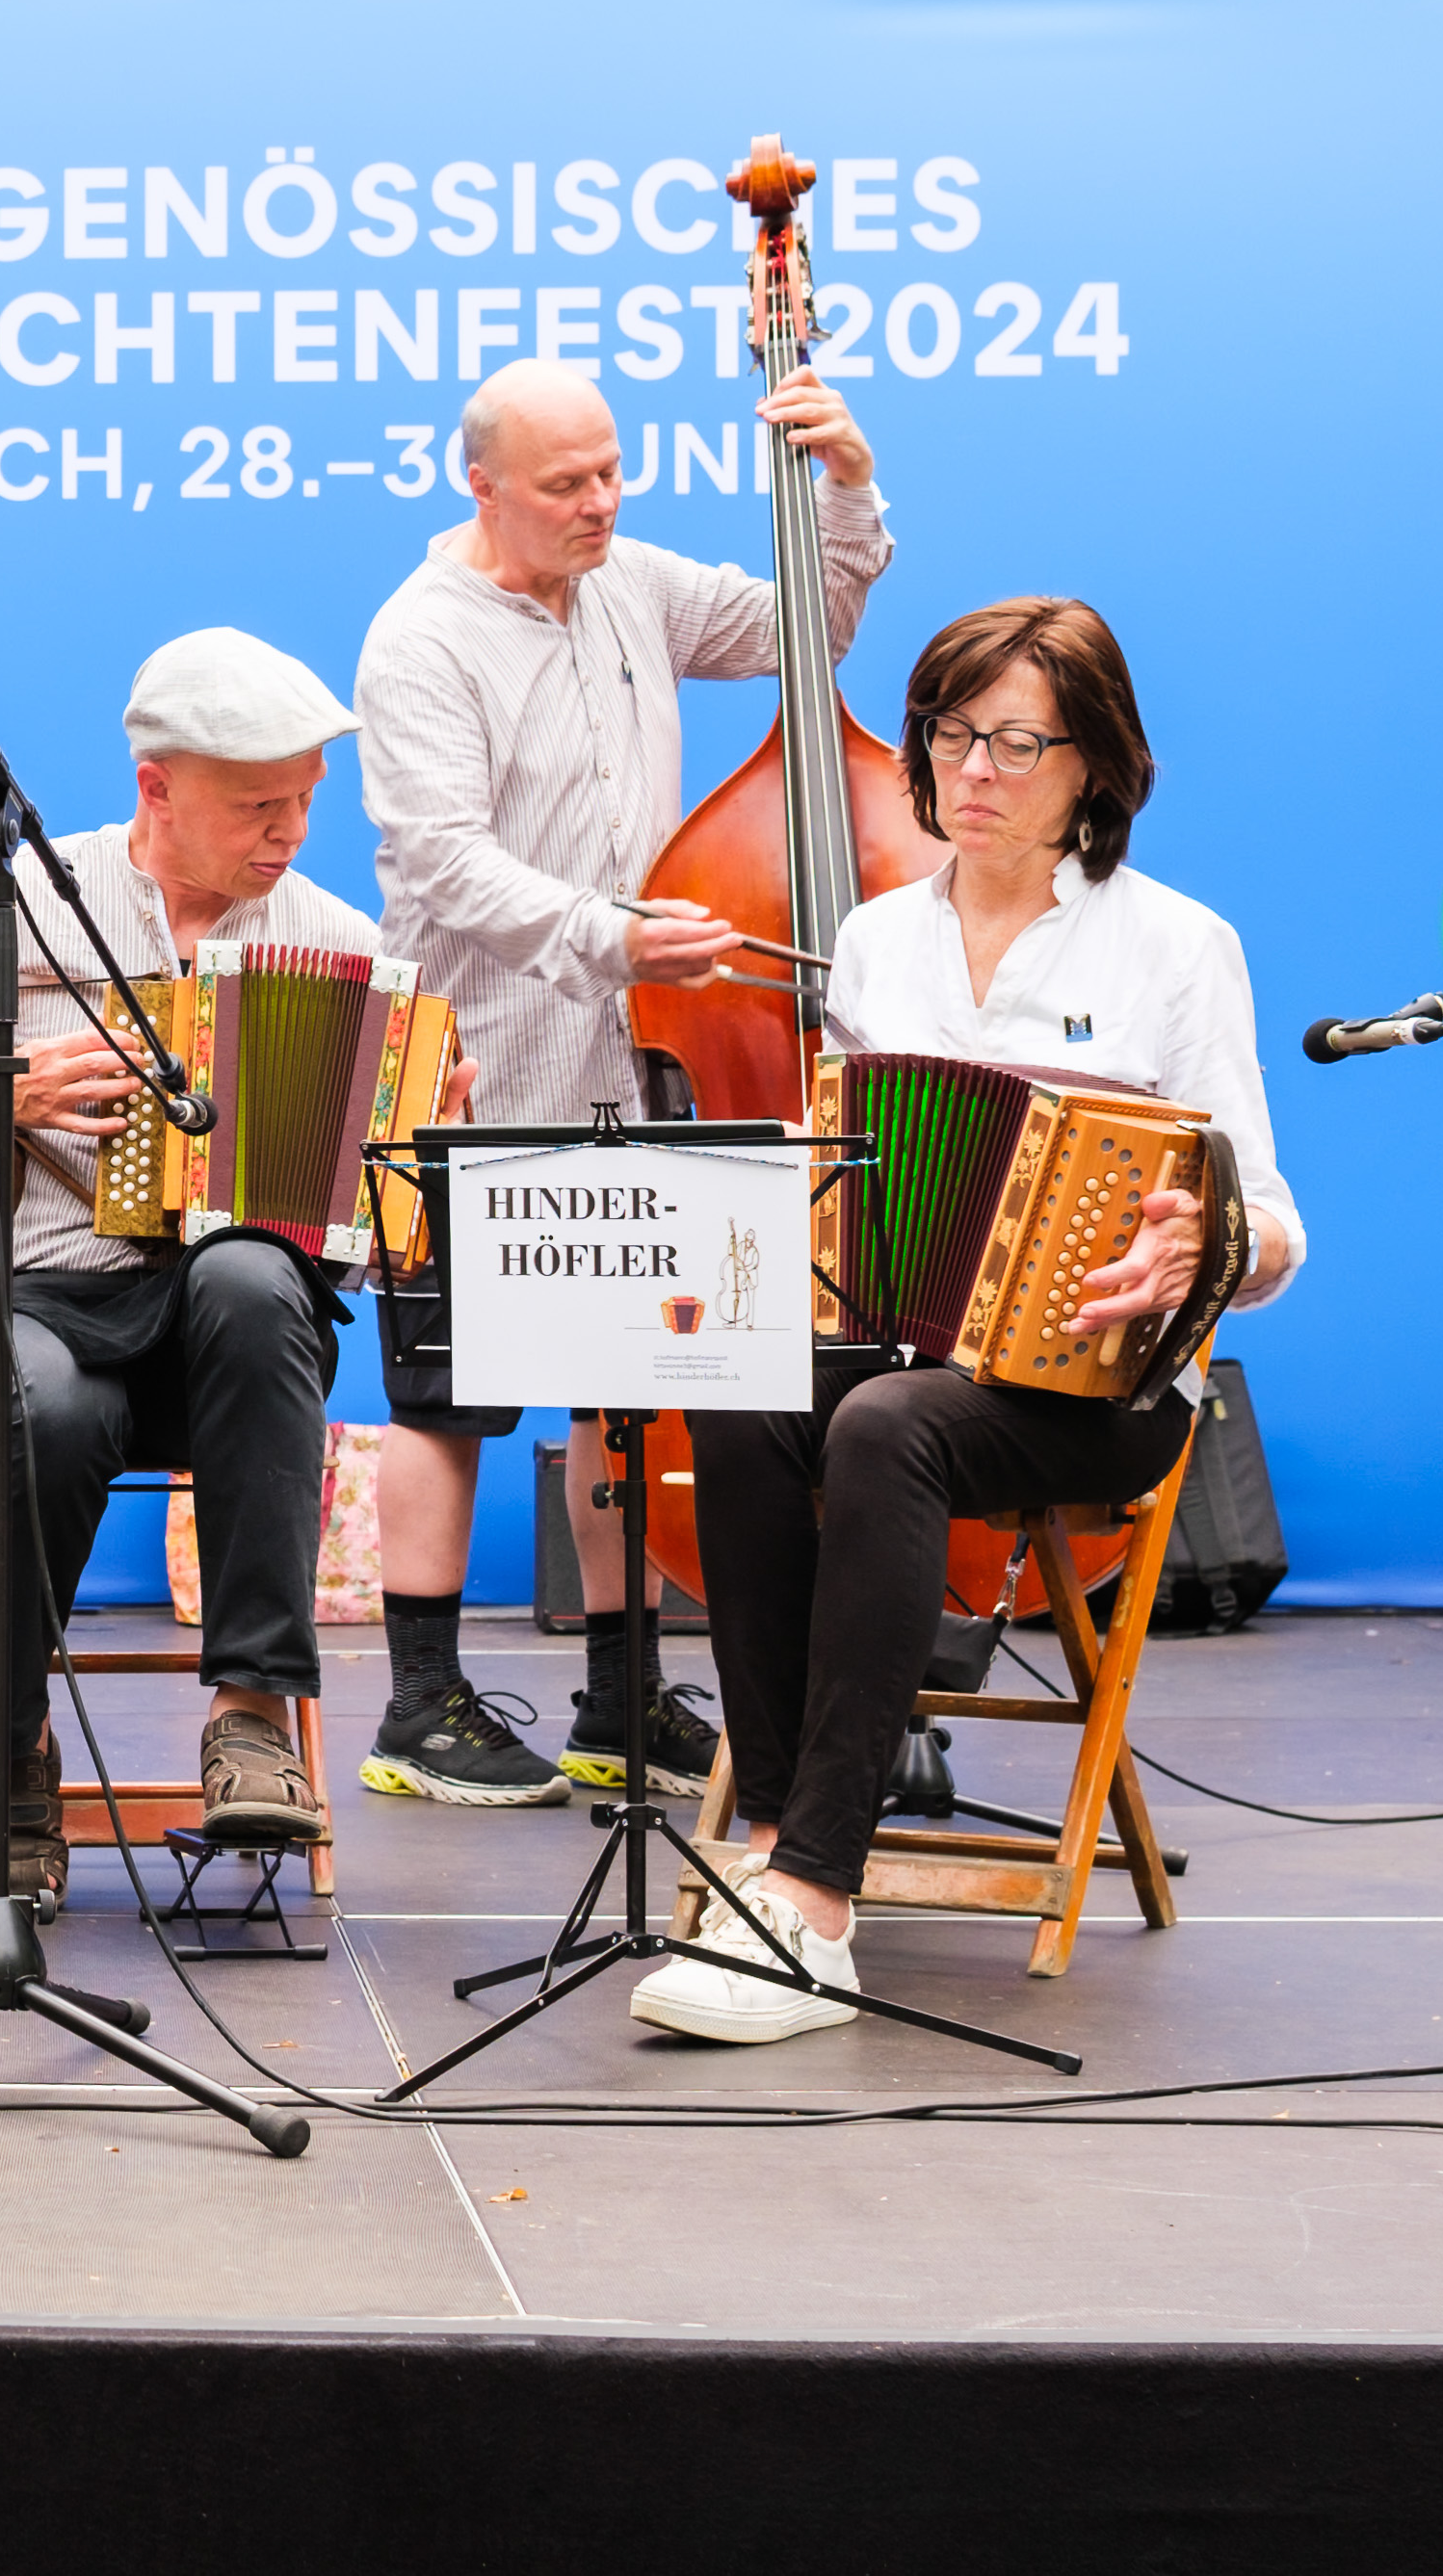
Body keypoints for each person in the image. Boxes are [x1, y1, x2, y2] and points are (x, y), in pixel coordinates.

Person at [628, 596, 1306, 2044]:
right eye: (949, 732)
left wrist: (1209, 1235)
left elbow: (1275, 1228)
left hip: (1098, 1392)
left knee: (884, 1428)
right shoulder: (877, 942)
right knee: (745, 1389)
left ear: (1096, 768)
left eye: (1015, 741)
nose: (971, 769)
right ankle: (769, 1856)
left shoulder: (1177, 947)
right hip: (904, 1348)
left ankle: (812, 1901)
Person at [0, 628, 466, 1904]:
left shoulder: (336, 939)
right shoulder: (16, 903)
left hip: (238, 1343)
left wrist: (414, 1128)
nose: (286, 833)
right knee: (41, 1406)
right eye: (255, 808)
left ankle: (252, 1720)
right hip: (48, 1301)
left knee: (244, 1271)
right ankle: (11, 1757)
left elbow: (377, 1209)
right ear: (155, 790)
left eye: (303, 804)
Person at [349, 352, 900, 1809]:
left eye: (611, 473)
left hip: (626, 1049)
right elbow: (441, 864)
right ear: (482, 486)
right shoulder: (418, 641)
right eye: (565, 485)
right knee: (448, 1392)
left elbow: (811, 631)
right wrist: (618, 934)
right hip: (475, 1052)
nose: (600, 503)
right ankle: (420, 1703)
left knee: (622, 1382)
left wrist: (844, 485)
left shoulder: (634, 582)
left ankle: (619, 1692)